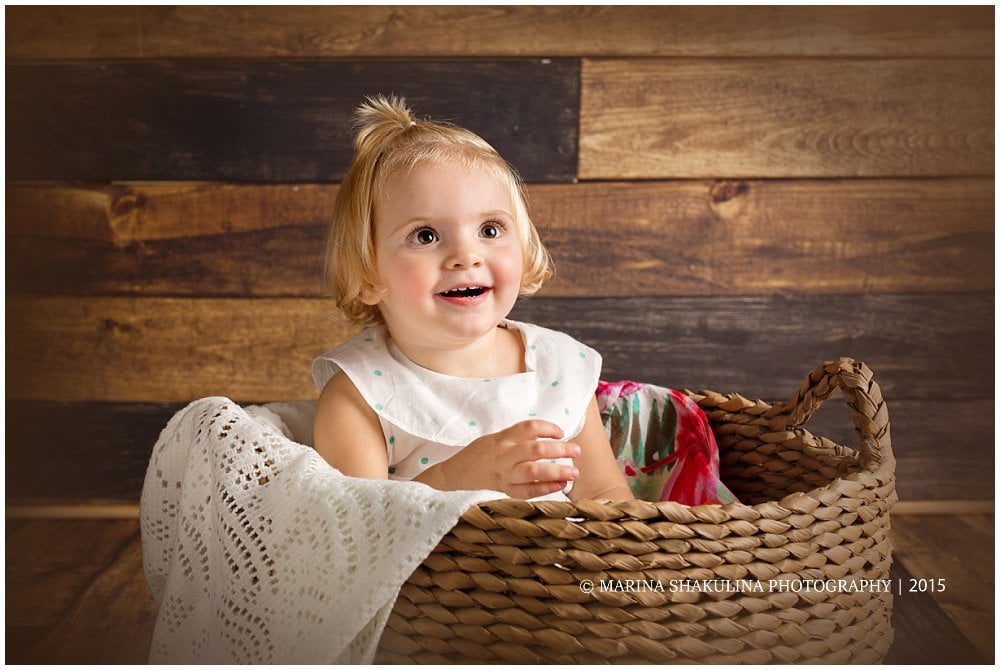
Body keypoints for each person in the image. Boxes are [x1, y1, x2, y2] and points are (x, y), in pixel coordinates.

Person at [311, 95, 633, 502]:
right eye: (425, 236)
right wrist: (454, 479)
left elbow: (605, 492)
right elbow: (358, 532)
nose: (466, 256)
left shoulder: (559, 368)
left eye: (491, 230)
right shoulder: (359, 393)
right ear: (366, 275)